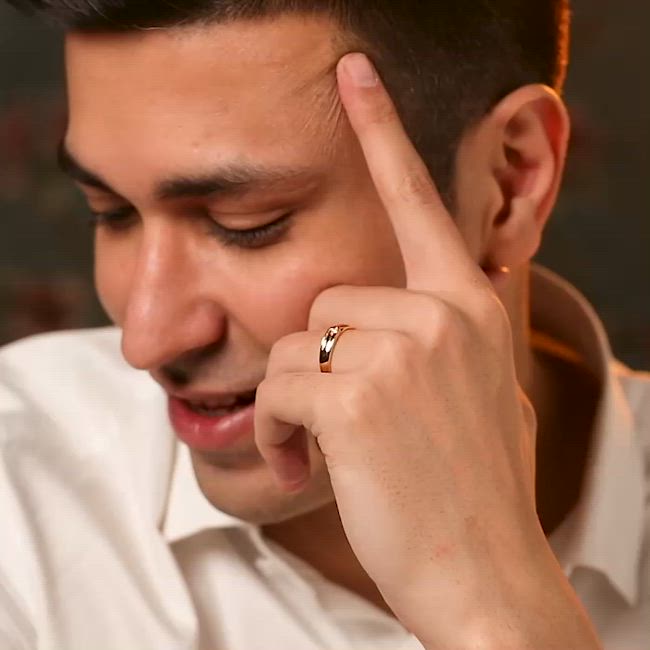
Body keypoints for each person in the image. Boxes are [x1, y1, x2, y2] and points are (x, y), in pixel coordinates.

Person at [0, 1, 648, 648]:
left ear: (510, 181)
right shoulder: (17, 492)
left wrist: (499, 610)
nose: (146, 340)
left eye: (246, 225)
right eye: (111, 213)